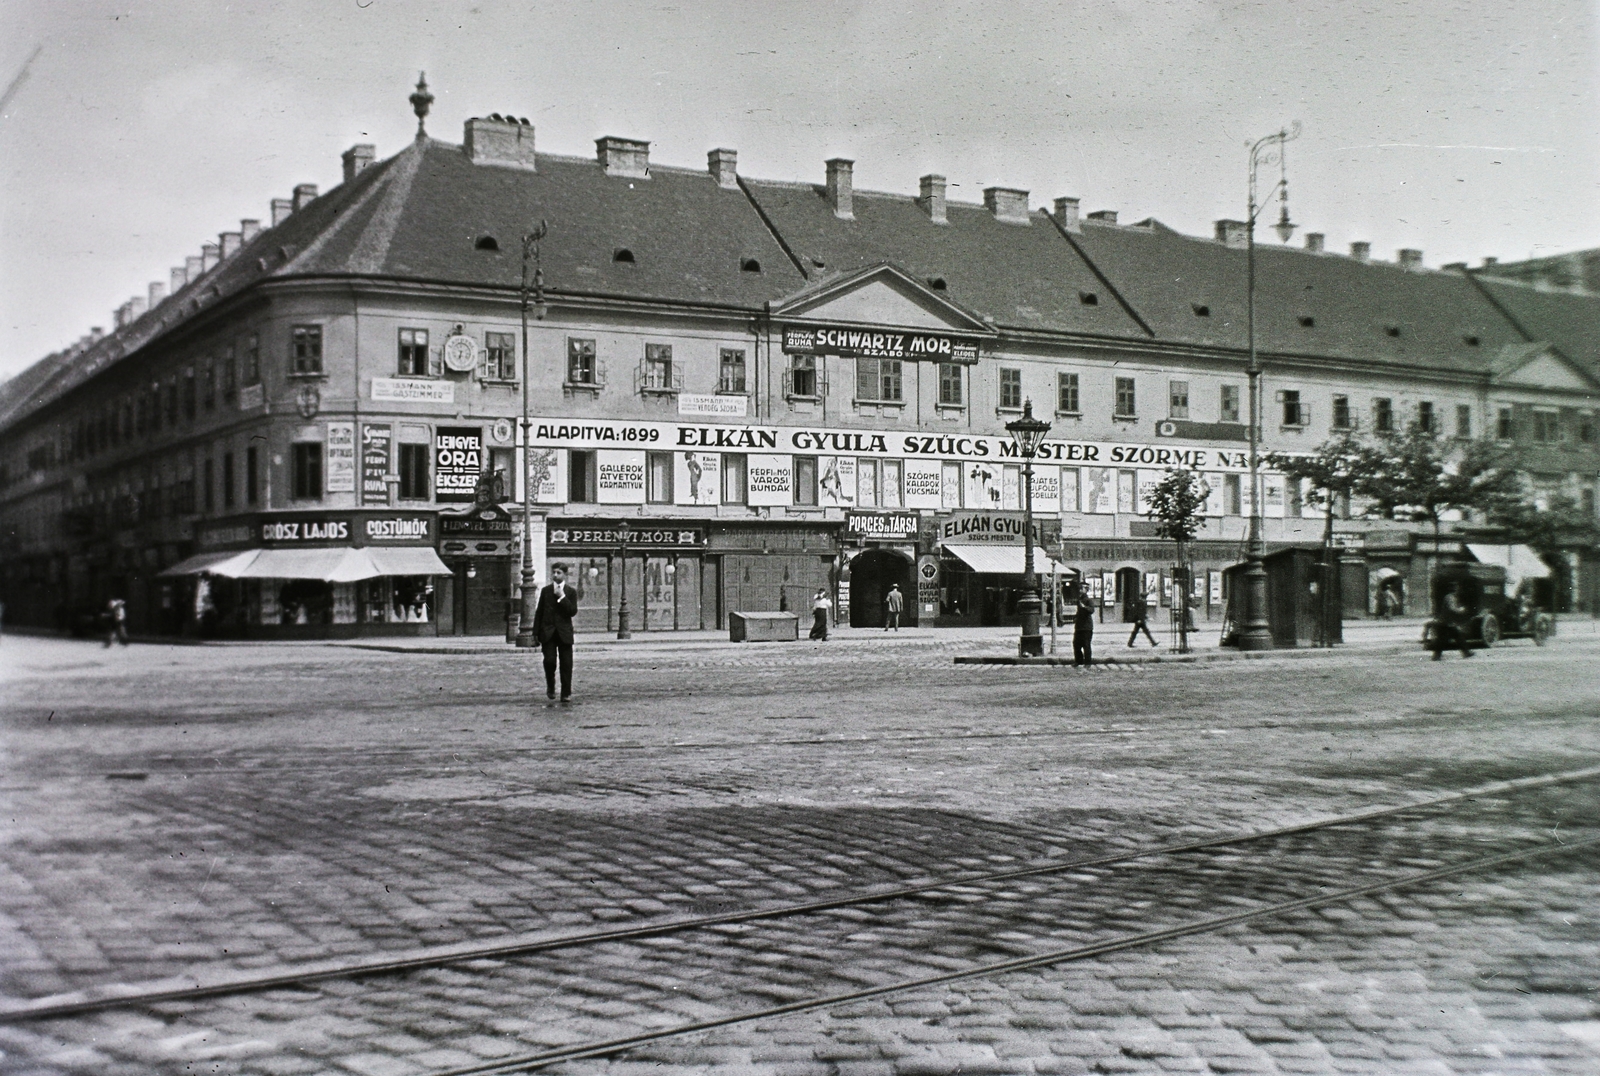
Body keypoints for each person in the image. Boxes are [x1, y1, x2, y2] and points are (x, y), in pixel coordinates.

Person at [532, 565, 579, 700]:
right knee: (549, 661)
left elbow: (572, 611)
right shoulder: (546, 591)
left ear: (565, 574)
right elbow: (539, 612)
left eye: (559, 572)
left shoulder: (571, 592)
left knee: (566, 664)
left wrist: (562, 597)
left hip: (564, 633)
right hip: (548, 633)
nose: (555, 575)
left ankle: (566, 693)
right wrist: (535, 633)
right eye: (554, 572)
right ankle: (551, 686)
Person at [1432, 582, 1472, 661]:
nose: (1458, 590)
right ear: (1454, 589)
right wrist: (1461, 610)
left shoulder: (1450, 597)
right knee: (1444, 639)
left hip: (1447, 622)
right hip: (1446, 622)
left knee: (1455, 637)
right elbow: (1452, 609)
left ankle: (1466, 653)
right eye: (1457, 588)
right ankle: (1466, 653)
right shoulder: (1450, 597)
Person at [1073, 594, 1095, 667]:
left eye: (1082, 589)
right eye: (1080, 589)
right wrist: (1076, 617)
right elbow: (1079, 612)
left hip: (1087, 627)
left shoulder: (1089, 600)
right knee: (1076, 644)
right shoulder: (1079, 601)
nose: (1080, 591)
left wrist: (1084, 607)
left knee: (1086, 645)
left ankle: (1088, 662)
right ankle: (1079, 661)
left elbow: (1092, 610)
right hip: (1079, 627)